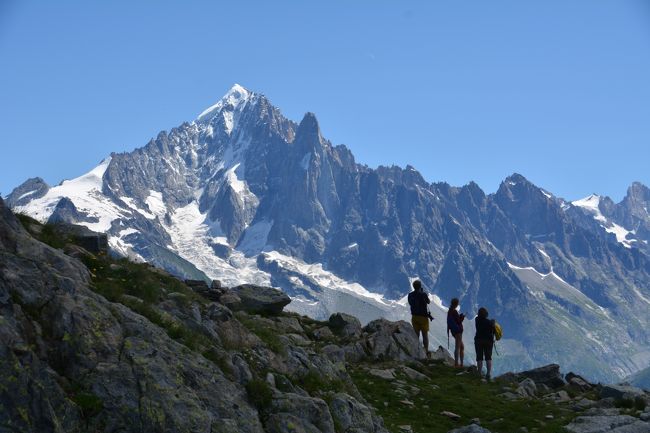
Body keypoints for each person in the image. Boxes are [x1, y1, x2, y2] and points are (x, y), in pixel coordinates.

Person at [408, 279, 431, 358]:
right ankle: (426, 350)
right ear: (420, 286)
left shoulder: (410, 295)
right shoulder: (423, 294)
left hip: (414, 317)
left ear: (413, 286)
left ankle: (416, 351)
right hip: (423, 317)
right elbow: (428, 302)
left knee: (416, 335)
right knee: (425, 335)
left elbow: (410, 303)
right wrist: (422, 293)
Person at [474, 307, 496, 381]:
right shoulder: (489, 323)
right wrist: (493, 323)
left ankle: (479, 373)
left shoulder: (476, 320)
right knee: (488, 357)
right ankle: (488, 374)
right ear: (486, 314)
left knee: (479, 357)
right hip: (488, 342)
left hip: (478, 340)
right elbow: (493, 330)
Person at [447, 298, 465, 367]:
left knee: (461, 346)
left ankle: (460, 364)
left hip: (454, 331)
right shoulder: (454, 311)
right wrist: (462, 318)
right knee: (458, 347)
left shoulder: (450, 310)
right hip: (458, 332)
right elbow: (458, 321)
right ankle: (457, 364)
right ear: (456, 304)